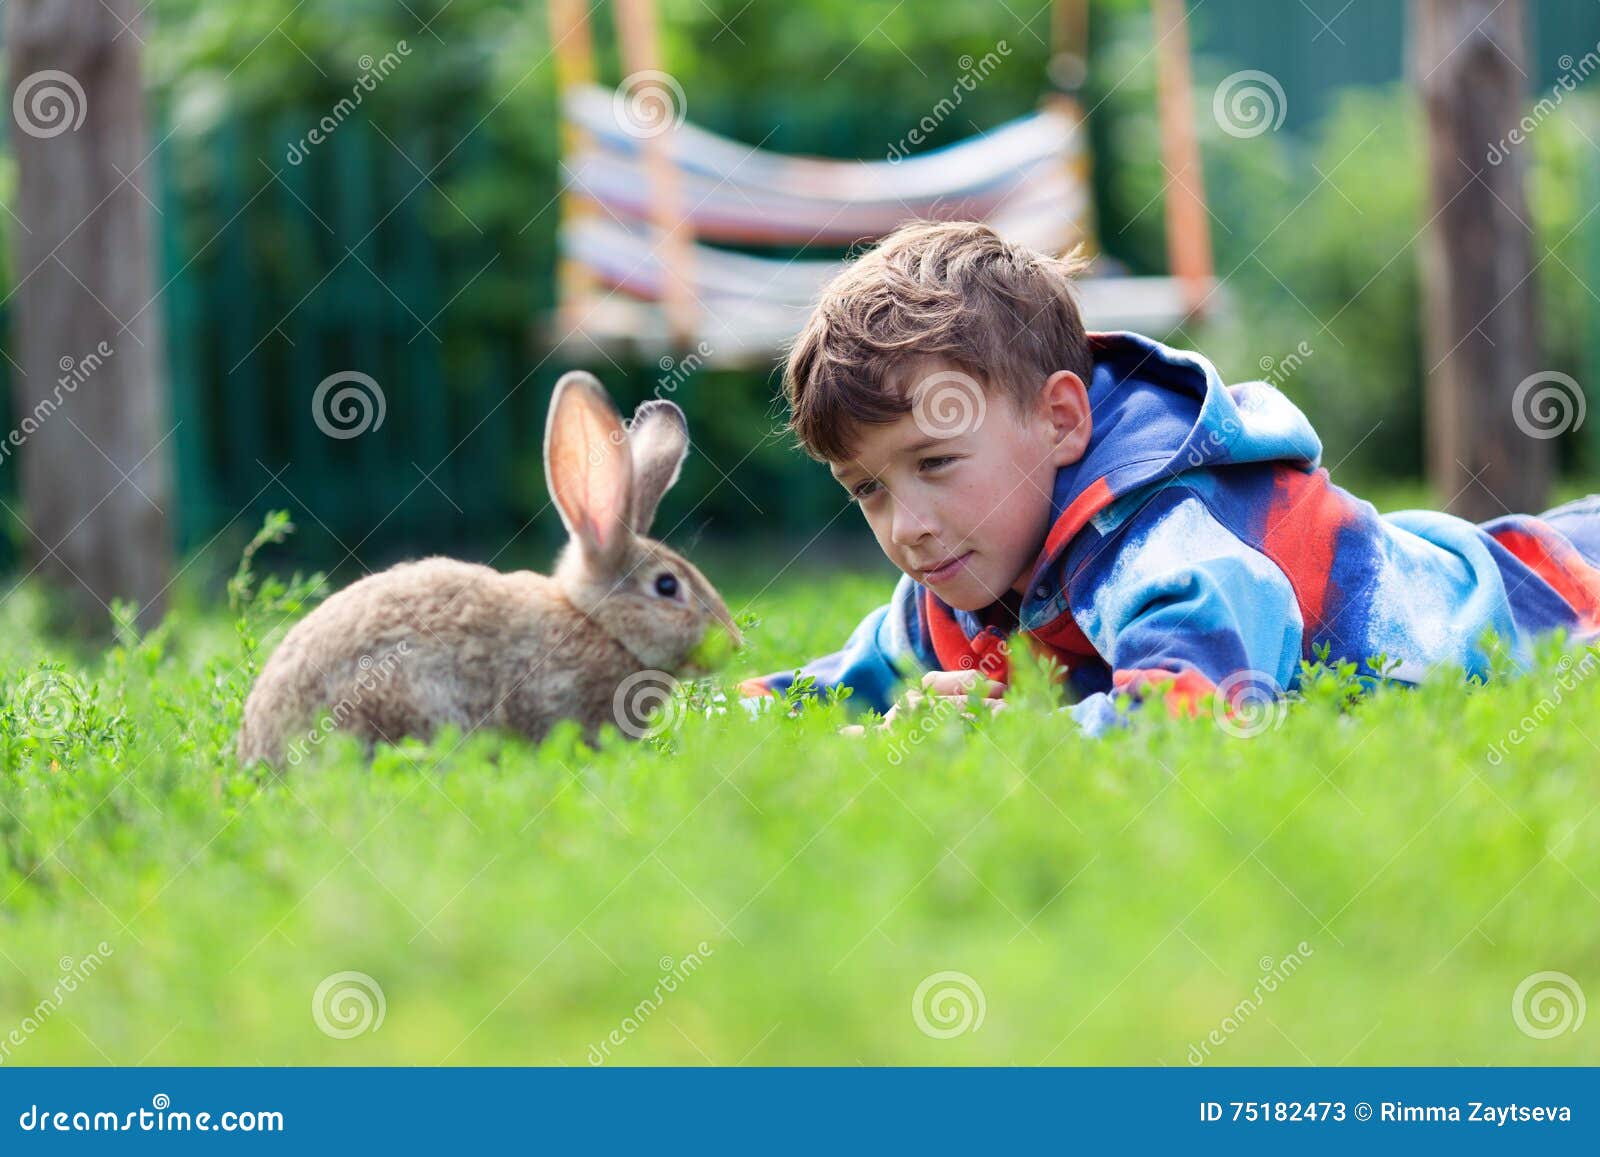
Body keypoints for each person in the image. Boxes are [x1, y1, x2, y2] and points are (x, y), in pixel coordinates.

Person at [737, 220, 1600, 736]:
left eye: (935, 463)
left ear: (1062, 420)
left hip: (1540, 596)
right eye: (869, 489)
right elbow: (847, 683)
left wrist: (1022, 738)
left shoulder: (1164, 535)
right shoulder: (962, 571)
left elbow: (1202, 705)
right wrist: (681, 710)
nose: (908, 525)